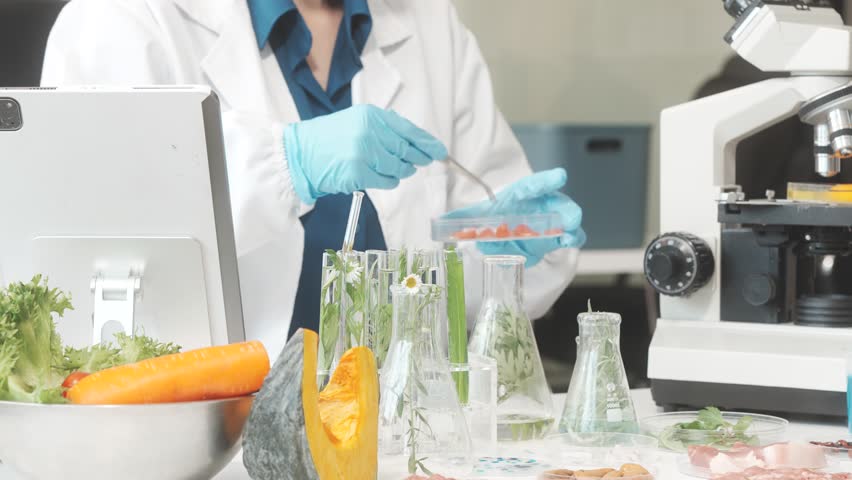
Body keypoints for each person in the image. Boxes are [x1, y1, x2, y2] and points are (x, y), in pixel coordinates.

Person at [41, 0, 585, 358]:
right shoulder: (124, 18)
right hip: (211, 437)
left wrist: (498, 253)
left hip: (396, 427)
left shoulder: (429, 23)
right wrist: (286, 163)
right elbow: (95, 231)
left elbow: (474, 272)